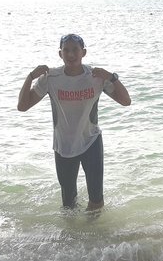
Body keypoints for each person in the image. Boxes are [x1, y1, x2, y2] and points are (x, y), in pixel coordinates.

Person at [17, 34, 132, 211]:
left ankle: (92, 236)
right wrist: (30, 77)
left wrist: (112, 77)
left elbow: (126, 101)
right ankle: (72, 238)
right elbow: (23, 106)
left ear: (83, 52)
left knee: (96, 200)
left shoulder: (96, 76)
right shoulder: (50, 79)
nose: (71, 54)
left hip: (91, 142)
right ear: (60, 54)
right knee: (68, 204)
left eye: (75, 50)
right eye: (66, 50)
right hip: (63, 146)